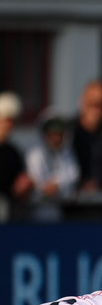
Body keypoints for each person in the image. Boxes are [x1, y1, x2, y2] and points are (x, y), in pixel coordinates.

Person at [25, 111, 80, 222]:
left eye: (59, 133)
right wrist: (47, 187)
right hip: (37, 214)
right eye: (52, 133)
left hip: (62, 214)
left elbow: (73, 175)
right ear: (45, 134)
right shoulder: (35, 153)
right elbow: (36, 180)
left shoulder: (68, 153)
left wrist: (58, 185)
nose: (56, 137)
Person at [69, 80, 102, 199]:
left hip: (101, 199)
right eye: (93, 104)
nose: (98, 111)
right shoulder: (70, 131)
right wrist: (79, 184)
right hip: (74, 202)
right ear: (82, 103)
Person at [0, 91, 32, 222]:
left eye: (12, 121)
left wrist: (23, 185)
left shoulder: (12, 151)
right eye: (6, 120)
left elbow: (18, 181)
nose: (9, 125)